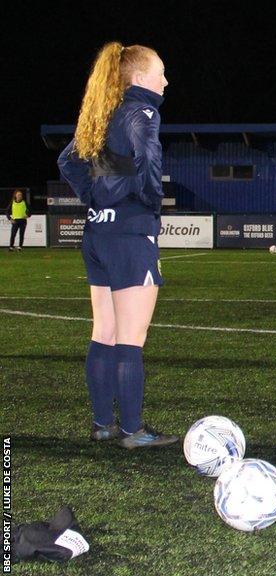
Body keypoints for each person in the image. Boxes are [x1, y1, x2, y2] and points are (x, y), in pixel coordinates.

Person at [57, 42, 178, 449]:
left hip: (97, 234)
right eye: (160, 72)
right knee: (130, 338)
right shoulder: (142, 111)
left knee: (103, 331)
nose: (165, 80)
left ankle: (102, 424)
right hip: (129, 234)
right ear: (141, 78)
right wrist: (147, 203)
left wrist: (95, 197)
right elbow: (147, 160)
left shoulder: (102, 114)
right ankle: (132, 431)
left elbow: (68, 161)